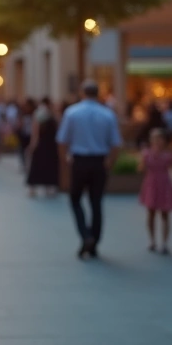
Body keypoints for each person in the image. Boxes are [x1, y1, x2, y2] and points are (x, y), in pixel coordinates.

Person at [56, 81, 123, 259]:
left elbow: (62, 140)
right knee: (96, 202)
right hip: (99, 161)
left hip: (79, 161)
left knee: (75, 199)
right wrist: (109, 162)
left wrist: (65, 161)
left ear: (82, 93)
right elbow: (116, 143)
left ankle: (86, 236)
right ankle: (93, 241)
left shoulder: (72, 112)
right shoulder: (107, 114)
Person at [139, 128, 172, 254]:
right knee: (151, 213)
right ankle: (152, 240)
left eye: (159, 138)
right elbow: (141, 169)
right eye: (154, 138)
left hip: (164, 183)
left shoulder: (169, 154)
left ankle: (165, 242)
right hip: (151, 183)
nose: (157, 141)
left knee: (165, 214)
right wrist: (142, 160)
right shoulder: (147, 153)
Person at [26, 98, 60, 197]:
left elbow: (35, 131)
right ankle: (48, 187)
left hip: (43, 145)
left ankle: (34, 188)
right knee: (47, 166)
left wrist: (32, 145)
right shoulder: (51, 115)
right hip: (49, 145)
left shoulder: (40, 114)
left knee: (37, 166)